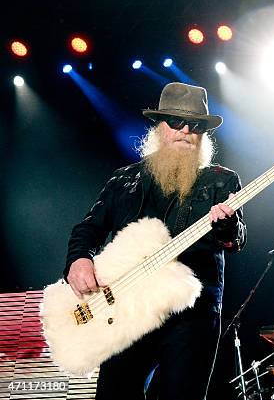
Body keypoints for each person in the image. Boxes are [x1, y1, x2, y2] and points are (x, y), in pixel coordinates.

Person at [64, 82, 246, 400]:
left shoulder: (222, 181)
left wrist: (228, 226)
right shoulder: (124, 181)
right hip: (127, 309)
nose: (186, 131)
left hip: (192, 316)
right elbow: (88, 229)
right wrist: (80, 258)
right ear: (159, 127)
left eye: (196, 125)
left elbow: (236, 241)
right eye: (176, 122)